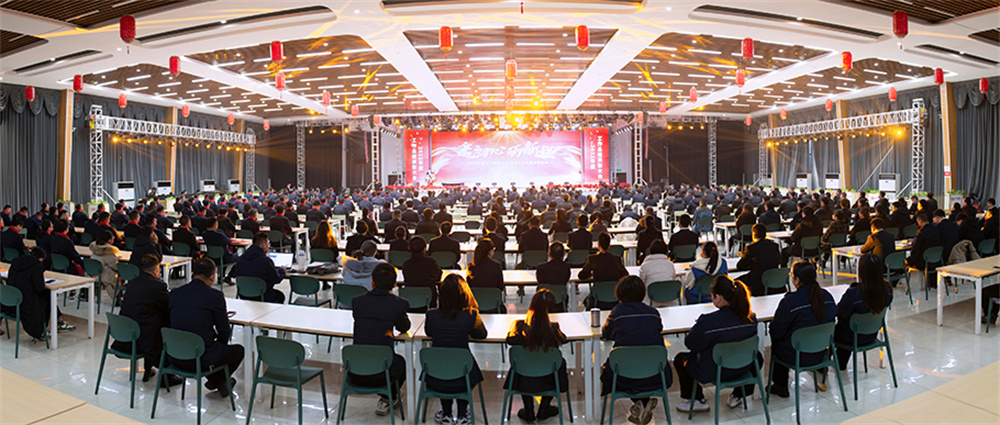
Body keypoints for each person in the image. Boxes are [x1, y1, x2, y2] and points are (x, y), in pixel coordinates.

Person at [674, 276, 760, 413]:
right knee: (757, 355)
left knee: (681, 359)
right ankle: (738, 394)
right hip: (743, 368)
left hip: (716, 371)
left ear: (718, 298)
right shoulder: (751, 318)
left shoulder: (708, 322)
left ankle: (697, 400)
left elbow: (691, 344)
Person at [600, 276, 671, 425]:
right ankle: (643, 402)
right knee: (640, 362)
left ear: (620, 293)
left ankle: (640, 402)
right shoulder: (653, 313)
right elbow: (658, 329)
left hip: (623, 377)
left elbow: (606, 333)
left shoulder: (617, 313)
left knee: (616, 367)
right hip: (656, 375)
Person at [168, 259, 243, 398]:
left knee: (211, 348)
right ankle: (218, 381)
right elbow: (224, 330)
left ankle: (219, 382)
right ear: (213, 276)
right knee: (237, 351)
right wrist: (219, 345)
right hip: (199, 358)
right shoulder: (215, 296)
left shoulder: (175, 293)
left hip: (173, 355)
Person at [424, 274, 487, 425]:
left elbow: (428, 332)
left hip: (435, 374)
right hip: (463, 377)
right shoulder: (470, 315)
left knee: (445, 363)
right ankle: (462, 414)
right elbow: (481, 334)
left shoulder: (431, 315)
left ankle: (446, 413)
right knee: (464, 367)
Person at [768, 261, 837, 398]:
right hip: (821, 353)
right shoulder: (827, 297)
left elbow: (776, 331)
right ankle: (821, 368)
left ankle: (781, 385)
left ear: (797, 280)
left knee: (776, 338)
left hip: (797, 356)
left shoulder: (790, 302)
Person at [111, 254, 182, 387]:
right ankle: (166, 376)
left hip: (125, 336)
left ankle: (148, 370)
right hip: (144, 340)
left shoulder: (132, 282)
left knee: (149, 318)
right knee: (165, 324)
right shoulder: (157, 286)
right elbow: (167, 306)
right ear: (156, 271)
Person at [350, 262, 410, 416]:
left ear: (372, 282)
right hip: (384, 372)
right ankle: (388, 397)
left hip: (355, 370)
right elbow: (404, 327)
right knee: (401, 363)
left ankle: (388, 398)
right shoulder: (398, 304)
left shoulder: (357, 301)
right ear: (395, 284)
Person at [504, 289, 569, 422]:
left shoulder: (520, 327)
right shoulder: (553, 329)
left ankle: (529, 409)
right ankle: (544, 407)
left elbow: (509, 340)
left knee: (522, 362)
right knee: (559, 362)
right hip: (547, 379)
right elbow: (563, 339)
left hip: (525, 378)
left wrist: (514, 330)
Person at [834, 254, 892, 370]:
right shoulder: (887, 289)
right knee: (851, 326)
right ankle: (840, 362)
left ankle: (824, 364)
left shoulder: (854, 293)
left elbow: (840, 312)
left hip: (851, 337)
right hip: (871, 334)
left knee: (832, 330)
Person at [2, 248, 75, 336]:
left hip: (12, 299)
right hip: (27, 303)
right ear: (40, 259)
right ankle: (56, 323)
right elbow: (39, 288)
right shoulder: (36, 266)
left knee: (47, 296)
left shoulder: (16, 262)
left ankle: (58, 321)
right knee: (48, 296)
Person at [229, 232, 287, 304]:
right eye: (268, 243)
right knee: (280, 296)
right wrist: (282, 270)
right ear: (263, 244)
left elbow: (234, 273)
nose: (268, 246)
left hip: (243, 295)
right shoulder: (265, 261)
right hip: (261, 295)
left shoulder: (241, 259)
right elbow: (276, 278)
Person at [579, 233, 629, 310]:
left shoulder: (592, 259)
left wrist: (591, 274)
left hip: (598, 297)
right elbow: (625, 275)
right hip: (614, 297)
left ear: (598, 244)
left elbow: (581, 276)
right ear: (609, 245)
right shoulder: (616, 259)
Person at [736, 224, 783, 296]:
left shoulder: (751, 248)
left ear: (754, 235)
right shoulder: (774, 246)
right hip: (773, 280)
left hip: (757, 282)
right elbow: (779, 261)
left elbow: (740, 266)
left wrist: (747, 259)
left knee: (736, 282)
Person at [402, 236, 443, 310]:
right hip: (428, 299)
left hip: (410, 299)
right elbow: (438, 276)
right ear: (424, 248)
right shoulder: (431, 262)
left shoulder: (406, 264)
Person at [466, 240, 505, 312]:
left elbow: (469, 286)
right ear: (489, 252)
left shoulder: (471, 267)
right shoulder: (496, 266)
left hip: (475, 305)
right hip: (493, 305)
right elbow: (501, 287)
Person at [639, 240, 677, 305]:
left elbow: (641, 284)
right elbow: (673, 279)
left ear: (650, 250)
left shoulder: (645, 266)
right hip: (670, 299)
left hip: (651, 301)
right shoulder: (670, 265)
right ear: (666, 251)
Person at [535, 242, 571, 312]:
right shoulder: (566, 267)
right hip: (560, 301)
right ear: (564, 253)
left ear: (549, 254)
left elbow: (540, 281)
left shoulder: (540, 267)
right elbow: (566, 280)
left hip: (543, 299)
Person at [90, 231, 121, 302]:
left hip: (93, 273)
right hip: (104, 275)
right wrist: (116, 259)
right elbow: (115, 266)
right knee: (115, 279)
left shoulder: (95, 248)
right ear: (109, 240)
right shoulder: (108, 251)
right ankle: (117, 298)